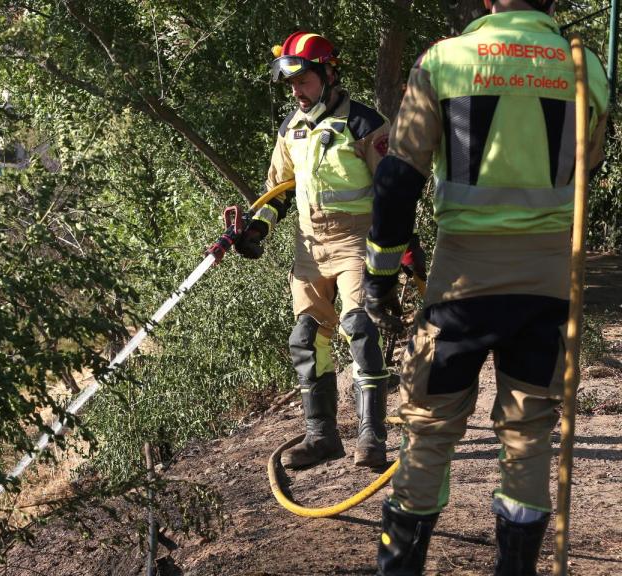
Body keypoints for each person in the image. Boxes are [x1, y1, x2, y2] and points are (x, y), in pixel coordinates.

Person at [363, 0, 610, 574]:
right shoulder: (585, 67)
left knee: (427, 430)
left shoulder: (445, 60)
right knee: (529, 435)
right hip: (551, 283)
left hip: (461, 283)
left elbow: (399, 178)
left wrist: (380, 272)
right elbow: (587, 165)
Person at [236, 31, 403, 469]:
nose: (296, 92)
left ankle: (372, 439)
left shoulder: (366, 124)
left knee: (359, 329)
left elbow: (393, 194)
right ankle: (322, 437)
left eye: (303, 81)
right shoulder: (291, 128)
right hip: (310, 248)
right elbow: (278, 192)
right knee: (307, 338)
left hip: (356, 242)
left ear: (329, 75)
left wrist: (401, 251)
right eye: (290, 85)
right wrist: (256, 231)